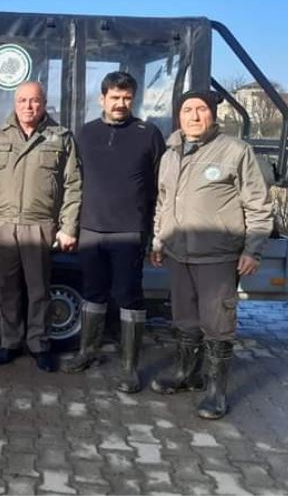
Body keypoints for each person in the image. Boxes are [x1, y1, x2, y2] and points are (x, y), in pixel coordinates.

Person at [149, 90, 272, 419]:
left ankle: (216, 391)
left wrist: (253, 250)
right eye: (187, 110)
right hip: (178, 253)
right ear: (178, 116)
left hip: (217, 256)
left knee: (218, 323)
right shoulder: (170, 154)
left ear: (212, 115)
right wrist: (158, 242)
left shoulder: (235, 151)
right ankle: (186, 374)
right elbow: (163, 203)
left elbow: (258, 205)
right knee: (184, 318)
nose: (193, 116)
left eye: (200, 109)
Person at [62, 71, 165, 393]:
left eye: (127, 98)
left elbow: (161, 187)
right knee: (93, 292)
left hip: (129, 231)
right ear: (102, 99)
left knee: (128, 296)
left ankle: (130, 367)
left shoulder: (148, 134)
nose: (120, 103)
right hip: (91, 229)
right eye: (115, 97)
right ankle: (87, 352)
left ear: (133, 99)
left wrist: (155, 233)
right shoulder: (86, 133)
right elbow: (73, 181)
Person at [0, 80, 81, 372]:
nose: (28, 106)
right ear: (15, 103)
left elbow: (73, 185)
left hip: (40, 224)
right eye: (22, 101)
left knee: (39, 289)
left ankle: (39, 345)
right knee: (6, 288)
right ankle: (10, 342)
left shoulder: (61, 137)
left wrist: (68, 227)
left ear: (44, 103)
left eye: (34, 101)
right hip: (3, 224)